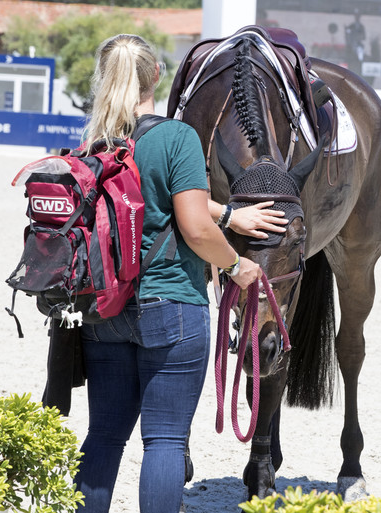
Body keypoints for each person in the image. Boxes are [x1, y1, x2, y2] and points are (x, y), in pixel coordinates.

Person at [73, 33, 279, 513]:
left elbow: (145, 196)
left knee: (103, 436)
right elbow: (193, 226)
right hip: (172, 306)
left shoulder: (94, 143)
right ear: (157, 78)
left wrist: (225, 214)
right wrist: (237, 264)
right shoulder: (176, 137)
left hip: (105, 309)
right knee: (164, 440)